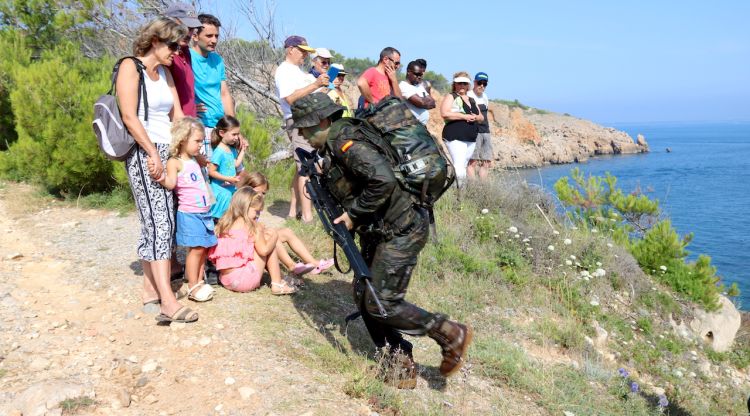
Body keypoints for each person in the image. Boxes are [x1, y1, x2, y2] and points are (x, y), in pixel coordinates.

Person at [291, 93, 473, 388]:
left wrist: (352, 214)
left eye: (306, 127)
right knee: (365, 295)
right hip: (381, 228)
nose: (302, 133)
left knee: (381, 302)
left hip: (401, 228)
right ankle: (399, 364)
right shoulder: (338, 142)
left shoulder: (344, 141)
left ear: (322, 121)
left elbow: (383, 180)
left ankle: (449, 332)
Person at [117, 17, 193, 322]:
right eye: (173, 45)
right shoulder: (129, 66)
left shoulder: (164, 73)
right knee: (160, 224)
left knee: (162, 222)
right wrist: (153, 154)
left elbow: (176, 114)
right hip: (143, 152)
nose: (177, 51)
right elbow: (129, 116)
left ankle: (150, 289)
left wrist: (185, 151)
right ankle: (167, 300)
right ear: (156, 40)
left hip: (165, 150)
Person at [156, 117, 217, 305]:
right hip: (190, 213)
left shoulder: (194, 159)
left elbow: (203, 165)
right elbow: (171, 183)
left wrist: (200, 158)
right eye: (197, 141)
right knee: (195, 250)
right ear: (183, 139)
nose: (200, 145)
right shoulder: (175, 162)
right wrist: (159, 177)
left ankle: (198, 281)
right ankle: (193, 286)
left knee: (203, 248)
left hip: (204, 212)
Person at [273, 35, 329, 223]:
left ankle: (293, 211)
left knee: (302, 167)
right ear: (291, 49)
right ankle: (307, 217)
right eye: (303, 51)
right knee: (306, 168)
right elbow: (290, 98)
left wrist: (320, 88)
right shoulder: (284, 71)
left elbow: (306, 95)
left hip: (308, 121)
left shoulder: (298, 72)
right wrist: (315, 84)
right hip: (298, 122)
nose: (305, 55)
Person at [239, 172, 335, 277]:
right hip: (246, 243)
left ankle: (315, 264)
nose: (261, 195)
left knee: (287, 232)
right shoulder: (243, 204)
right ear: (247, 188)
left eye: (264, 193)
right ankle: (292, 266)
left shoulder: (254, 203)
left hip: (254, 237)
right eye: (258, 192)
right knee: (272, 237)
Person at [208, 187, 298, 295]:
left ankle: (281, 277)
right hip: (243, 281)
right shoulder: (251, 225)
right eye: (257, 211)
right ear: (246, 207)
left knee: (259, 245)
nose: (258, 215)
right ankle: (277, 284)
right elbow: (264, 251)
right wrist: (274, 236)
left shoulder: (226, 223)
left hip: (226, 280)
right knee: (268, 243)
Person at [190, 13, 235, 158]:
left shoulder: (217, 60)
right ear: (195, 36)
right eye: (209, 36)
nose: (214, 40)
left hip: (221, 127)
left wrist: (233, 128)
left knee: (230, 175)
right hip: (201, 127)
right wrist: (189, 108)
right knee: (206, 176)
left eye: (216, 36)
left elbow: (224, 94)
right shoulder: (187, 58)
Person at [440, 71, 483, 187]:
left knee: (462, 166)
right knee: (459, 166)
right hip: (455, 135)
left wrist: (475, 117)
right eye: (459, 83)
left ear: (468, 85)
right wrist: (464, 116)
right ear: (454, 84)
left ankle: (455, 193)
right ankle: (460, 195)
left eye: (464, 83)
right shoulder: (451, 96)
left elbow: (481, 117)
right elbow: (444, 113)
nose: (462, 86)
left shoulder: (472, 100)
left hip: (470, 138)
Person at [164, 2, 202, 118]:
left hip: (190, 125)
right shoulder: (164, 55)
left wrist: (192, 108)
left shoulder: (186, 51)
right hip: (173, 126)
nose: (189, 33)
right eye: (185, 27)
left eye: (192, 29)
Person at [207, 115, 246, 220]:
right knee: (219, 218)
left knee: (228, 217)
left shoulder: (230, 149)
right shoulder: (219, 151)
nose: (237, 137)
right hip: (220, 191)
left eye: (237, 134)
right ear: (222, 133)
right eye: (234, 134)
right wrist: (228, 179)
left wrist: (243, 150)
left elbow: (236, 164)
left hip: (228, 189)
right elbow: (211, 171)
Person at [467, 72, 496, 180]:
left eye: (485, 84)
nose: (482, 86)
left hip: (486, 131)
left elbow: (485, 114)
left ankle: (482, 189)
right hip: (474, 132)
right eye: (480, 83)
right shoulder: (469, 95)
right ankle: (473, 189)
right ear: (474, 82)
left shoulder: (485, 96)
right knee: (472, 162)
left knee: (487, 162)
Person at [398, 60, 435, 125]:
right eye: (417, 74)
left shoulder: (419, 86)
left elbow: (433, 103)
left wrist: (422, 101)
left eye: (421, 75)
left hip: (421, 126)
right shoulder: (403, 86)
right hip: (411, 127)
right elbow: (420, 103)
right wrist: (424, 100)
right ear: (408, 72)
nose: (419, 77)